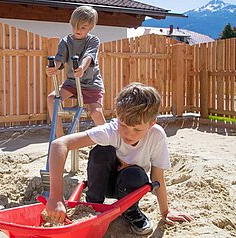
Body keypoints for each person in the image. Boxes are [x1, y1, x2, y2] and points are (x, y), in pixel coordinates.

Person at [46, 83, 194, 235]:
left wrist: (165, 212)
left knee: (135, 174)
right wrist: (56, 197)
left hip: (130, 187)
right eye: (123, 125)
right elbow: (59, 144)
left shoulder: (156, 136)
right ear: (117, 117)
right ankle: (92, 206)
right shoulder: (111, 130)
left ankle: (131, 211)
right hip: (103, 183)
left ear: (152, 123)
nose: (129, 134)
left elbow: (157, 177)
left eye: (137, 129)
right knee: (101, 151)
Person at [46, 5, 106, 138]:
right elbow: (59, 59)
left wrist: (82, 68)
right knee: (52, 98)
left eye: (83, 27)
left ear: (90, 27)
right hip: (72, 83)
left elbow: (88, 57)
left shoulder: (93, 40)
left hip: (91, 84)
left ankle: (109, 142)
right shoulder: (65, 41)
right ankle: (60, 137)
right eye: (75, 26)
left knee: (96, 113)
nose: (78, 30)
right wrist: (54, 67)